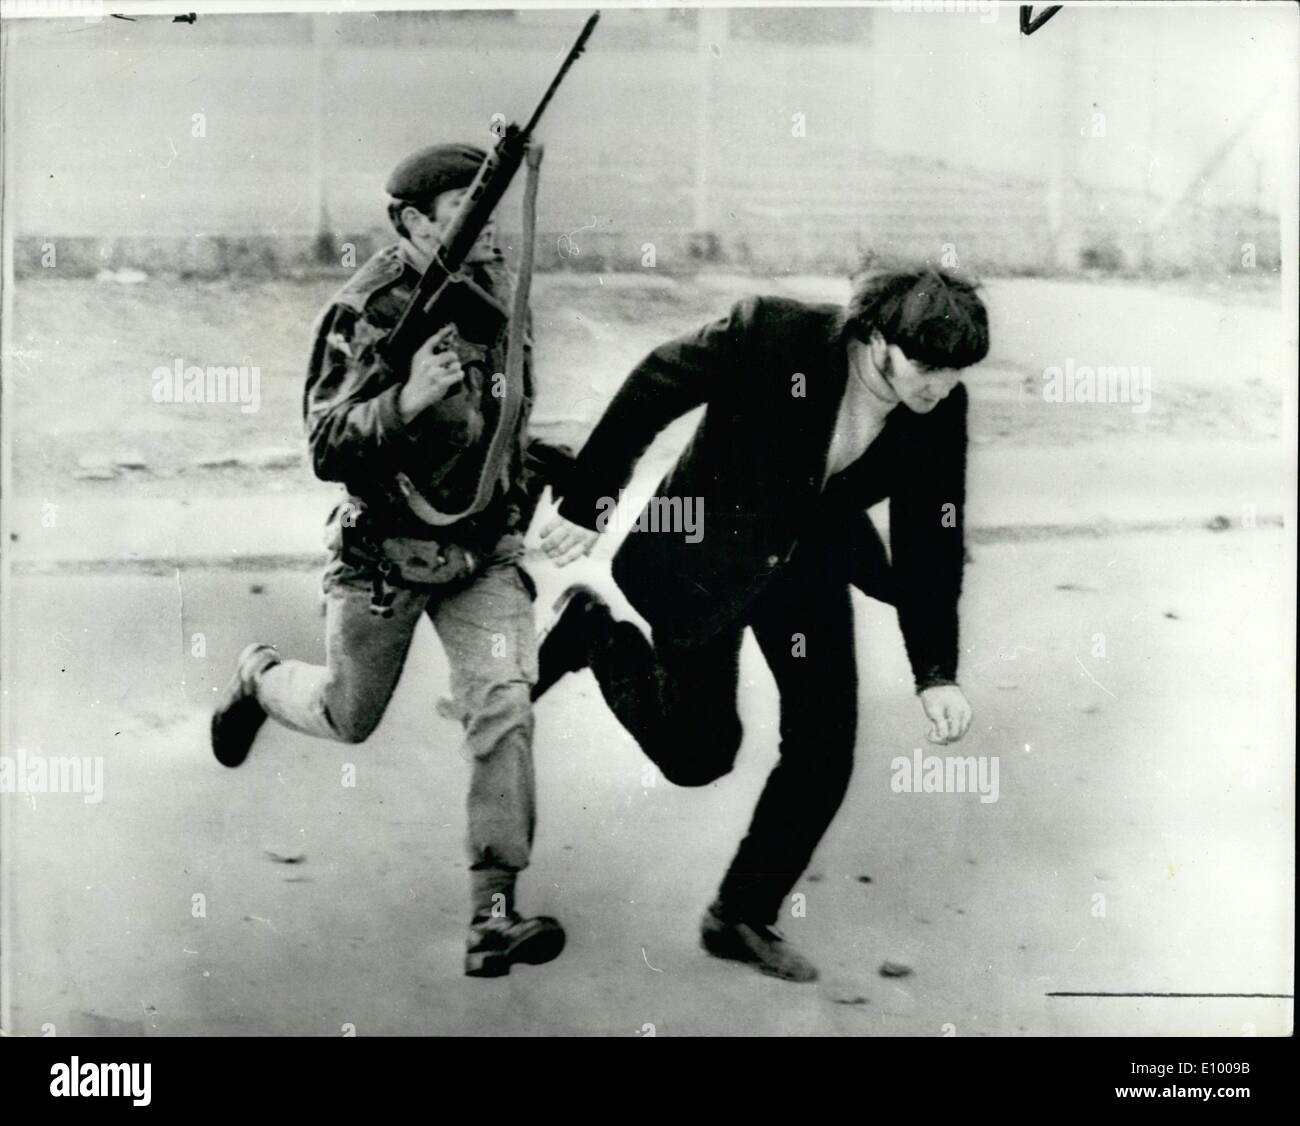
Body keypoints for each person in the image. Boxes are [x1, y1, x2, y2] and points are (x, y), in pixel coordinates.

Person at [532, 267, 989, 982]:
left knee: (825, 747)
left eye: (956, 373)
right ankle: (592, 632)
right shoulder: (773, 335)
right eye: (925, 367)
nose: (938, 386)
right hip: (703, 555)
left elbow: (931, 537)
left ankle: (740, 915)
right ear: (876, 338)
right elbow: (656, 383)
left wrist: (936, 672)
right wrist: (589, 501)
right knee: (698, 756)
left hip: (805, 563)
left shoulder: (939, 410)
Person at [210, 142, 572, 978]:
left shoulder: (497, 297)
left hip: (479, 552)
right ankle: (260, 679)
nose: (488, 234)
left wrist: (539, 488)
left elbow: (505, 422)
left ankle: (494, 913)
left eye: (489, 214)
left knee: (503, 706)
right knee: (348, 714)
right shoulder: (366, 310)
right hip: (384, 553)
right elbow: (327, 444)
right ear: (412, 222)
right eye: (464, 216)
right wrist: (404, 402)